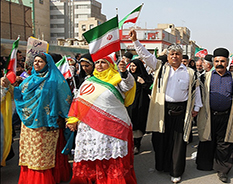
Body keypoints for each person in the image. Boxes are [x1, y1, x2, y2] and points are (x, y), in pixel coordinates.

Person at [130, 29, 203, 183]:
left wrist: (196, 107)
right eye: (172, 54)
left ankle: (176, 171)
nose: (175, 56)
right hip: (162, 111)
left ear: (182, 57)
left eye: (177, 54)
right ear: (168, 57)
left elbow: (196, 91)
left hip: (181, 111)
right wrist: (136, 41)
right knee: (160, 140)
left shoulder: (190, 72)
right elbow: (145, 55)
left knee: (178, 143)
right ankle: (162, 166)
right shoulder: (161, 68)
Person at [1, 53, 72, 184]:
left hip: (46, 125)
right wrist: (8, 86)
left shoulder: (56, 80)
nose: (36, 63)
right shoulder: (29, 80)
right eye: (35, 61)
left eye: (40, 61)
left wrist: (68, 118)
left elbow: (65, 99)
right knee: (30, 153)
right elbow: (20, 95)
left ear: (47, 64)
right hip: (28, 124)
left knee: (41, 155)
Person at [66, 54, 137, 184]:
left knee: (112, 155)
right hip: (90, 128)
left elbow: (128, 85)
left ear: (110, 65)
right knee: (93, 153)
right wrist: (72, 119)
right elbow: (78, 102)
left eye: (103, 62)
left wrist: (123, 72)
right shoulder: (88, 81)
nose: (99, 65)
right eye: (97, 62)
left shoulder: (117, 79)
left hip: (113, 126)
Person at [196, 48, 233, 183]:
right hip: (209, 115)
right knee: (207, 139)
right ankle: (205, 164)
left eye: (222, 61)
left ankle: (223, 170)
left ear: (227, 62)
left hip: (227, 116)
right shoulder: (206, 76)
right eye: (217, 61)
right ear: (213, 62)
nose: (219, 63)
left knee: (224, 144)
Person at [127, 59, 153, 155]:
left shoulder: (145, 77)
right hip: (130, 104)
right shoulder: (128, 77)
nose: (132, 68)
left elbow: (150, 90)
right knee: (131, 123)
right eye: (131, 66)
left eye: (134, 66)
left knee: (139, 123)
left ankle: (137, 144)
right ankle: (131, 144)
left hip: (141, 104)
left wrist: (143, 83)